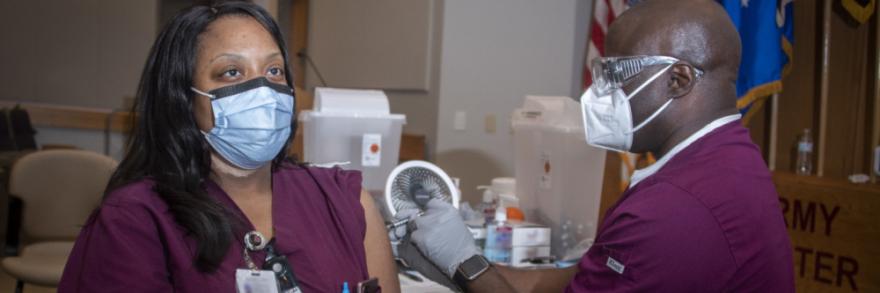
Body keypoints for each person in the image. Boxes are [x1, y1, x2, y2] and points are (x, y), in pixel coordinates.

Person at [394, 0, 794, 292]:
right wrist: (442, 262)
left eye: (616, 73)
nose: (598, 92)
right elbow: (575, 279)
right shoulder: (723, 158)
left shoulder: (677, 206)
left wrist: (465, 261)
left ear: (680, 80)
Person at [58, 1, 399, 292]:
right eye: (232, 72)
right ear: (183, 97)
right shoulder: (137, 220)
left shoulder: (344, 200)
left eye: (274, 70)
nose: (263, 90)